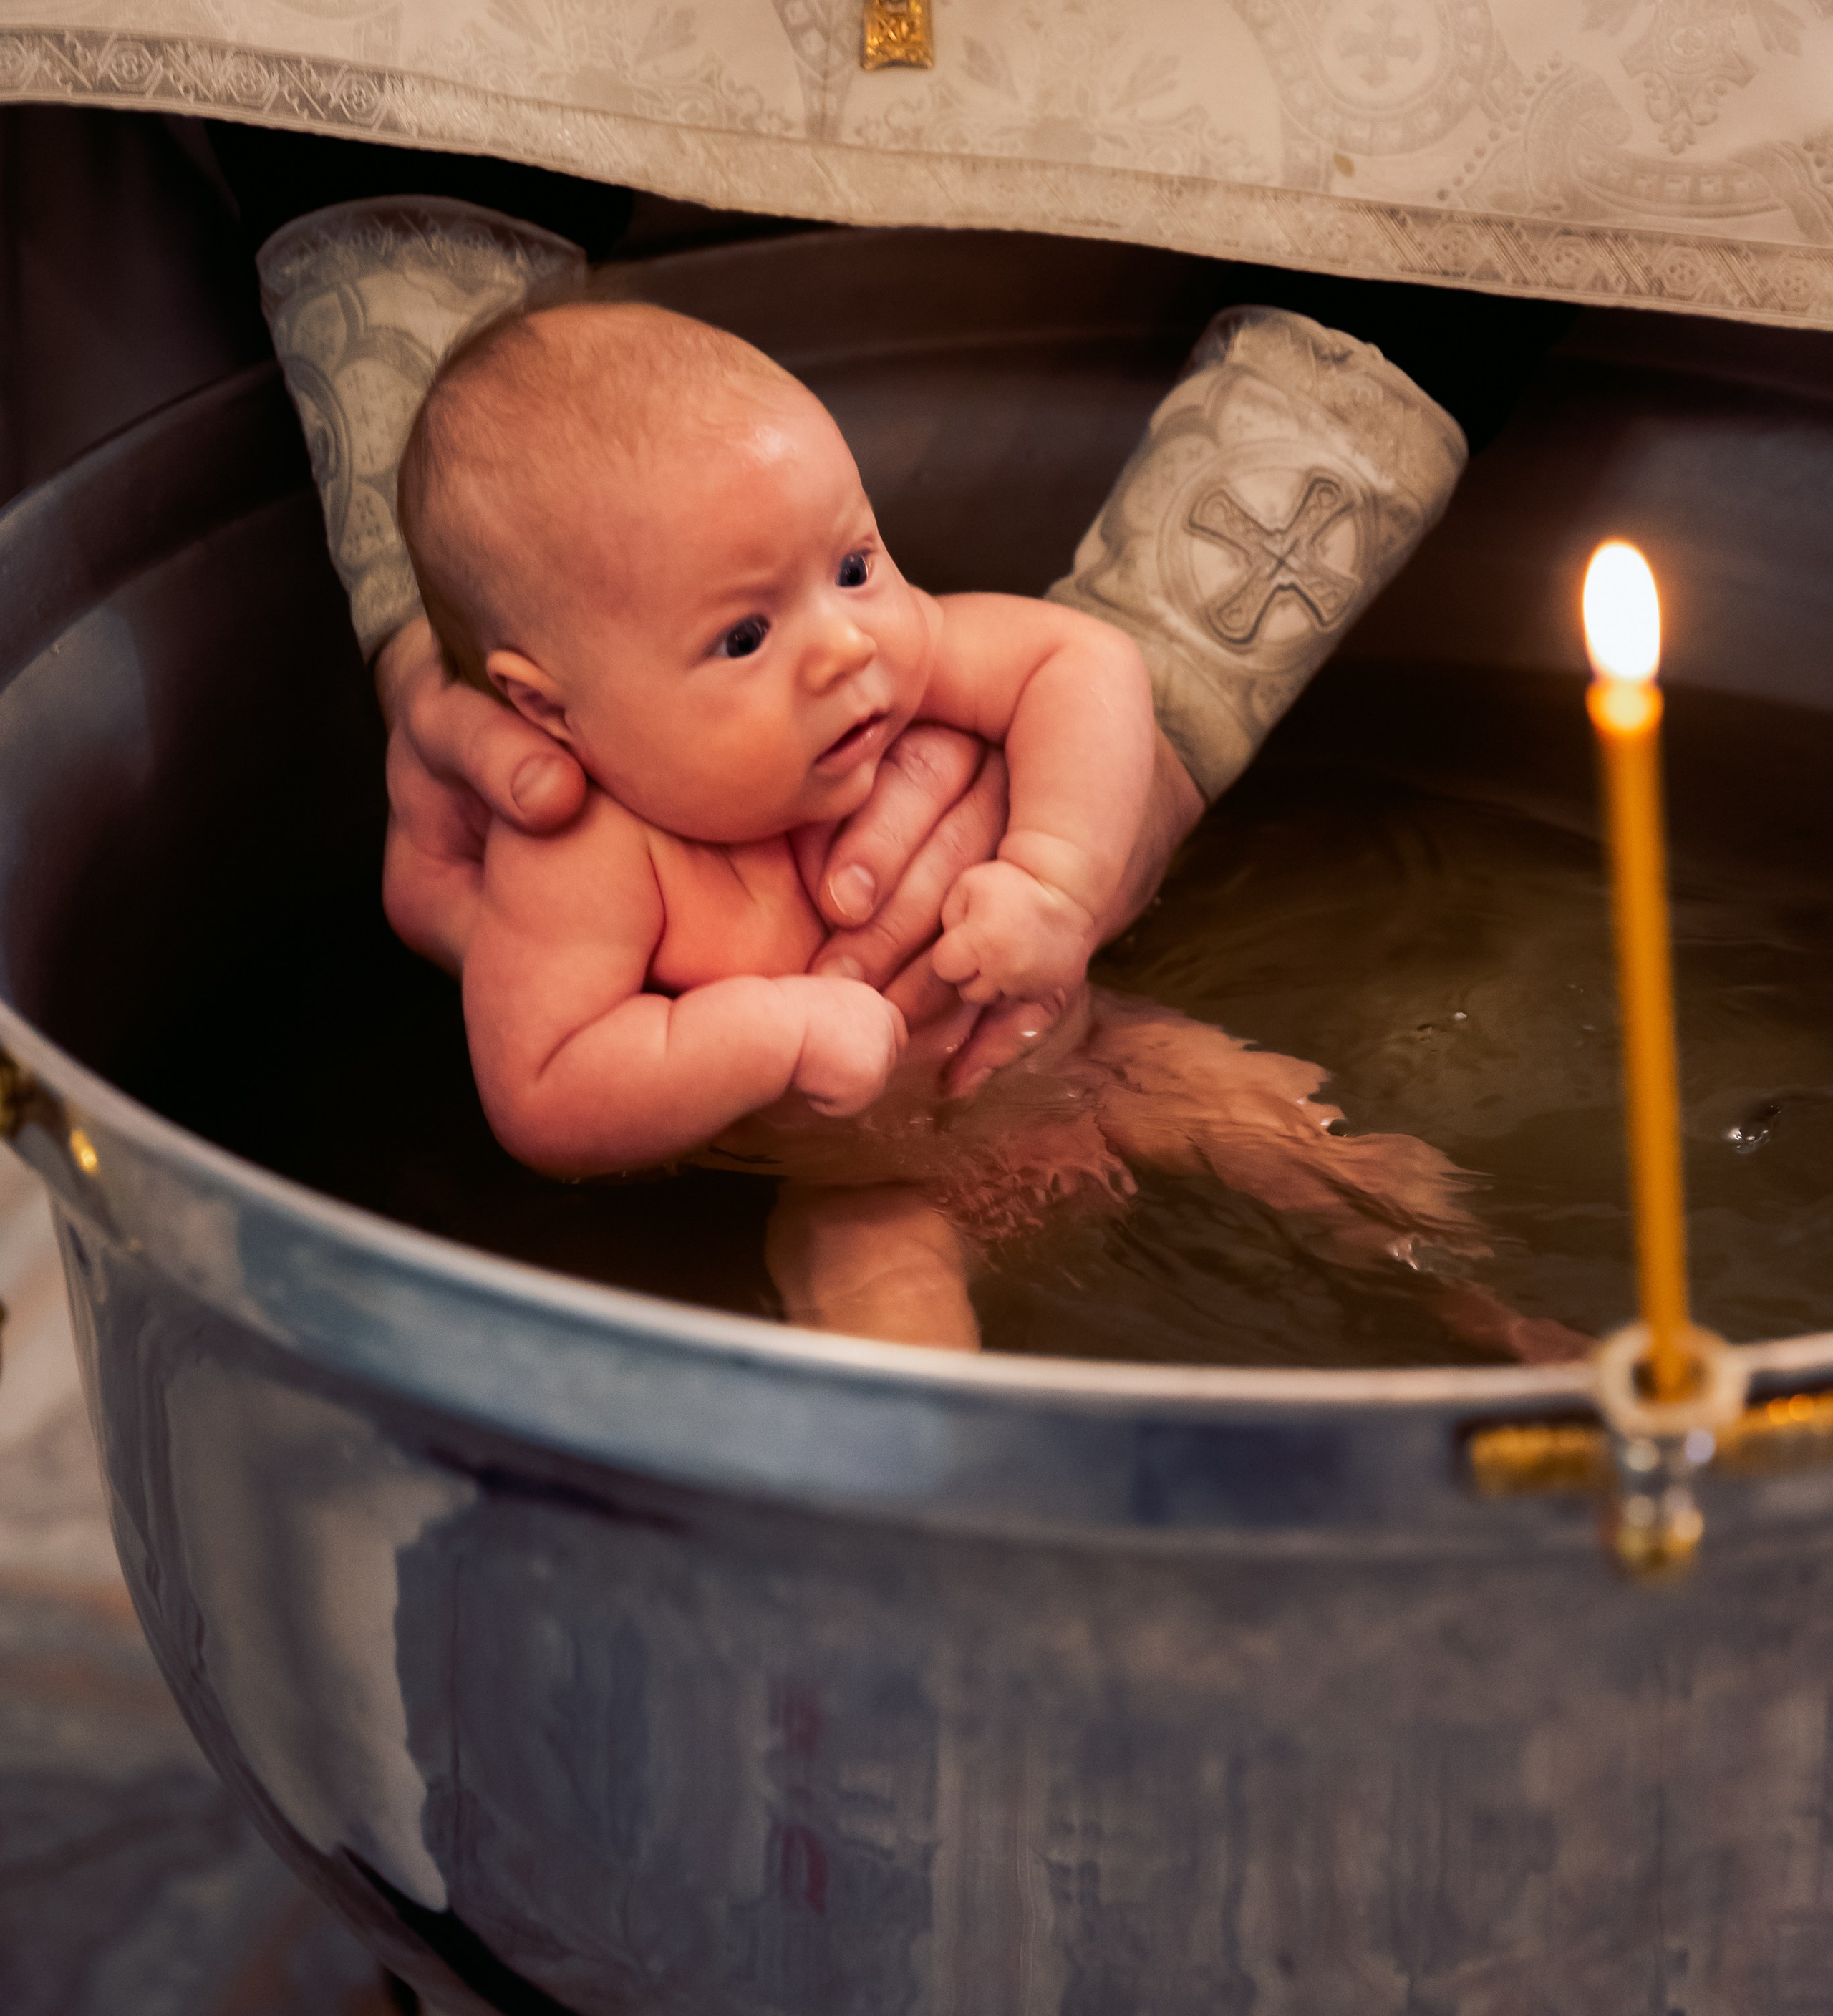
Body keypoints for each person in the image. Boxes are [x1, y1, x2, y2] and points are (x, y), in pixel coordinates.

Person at [375, 281, 1570, 1360]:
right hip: (868, 1175)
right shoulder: (582, 847)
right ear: (551, 707)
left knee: (1315, 1143)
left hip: (1097, 1058)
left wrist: (1052, 880)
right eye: (743, 636)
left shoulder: (907, 657)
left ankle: (1493, 1317)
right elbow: (543, 1090)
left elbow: (1082, 661)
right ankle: (939, 1482)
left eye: (853, 564)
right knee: (876, 1290)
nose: (845, 645)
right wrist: (775, 1033)